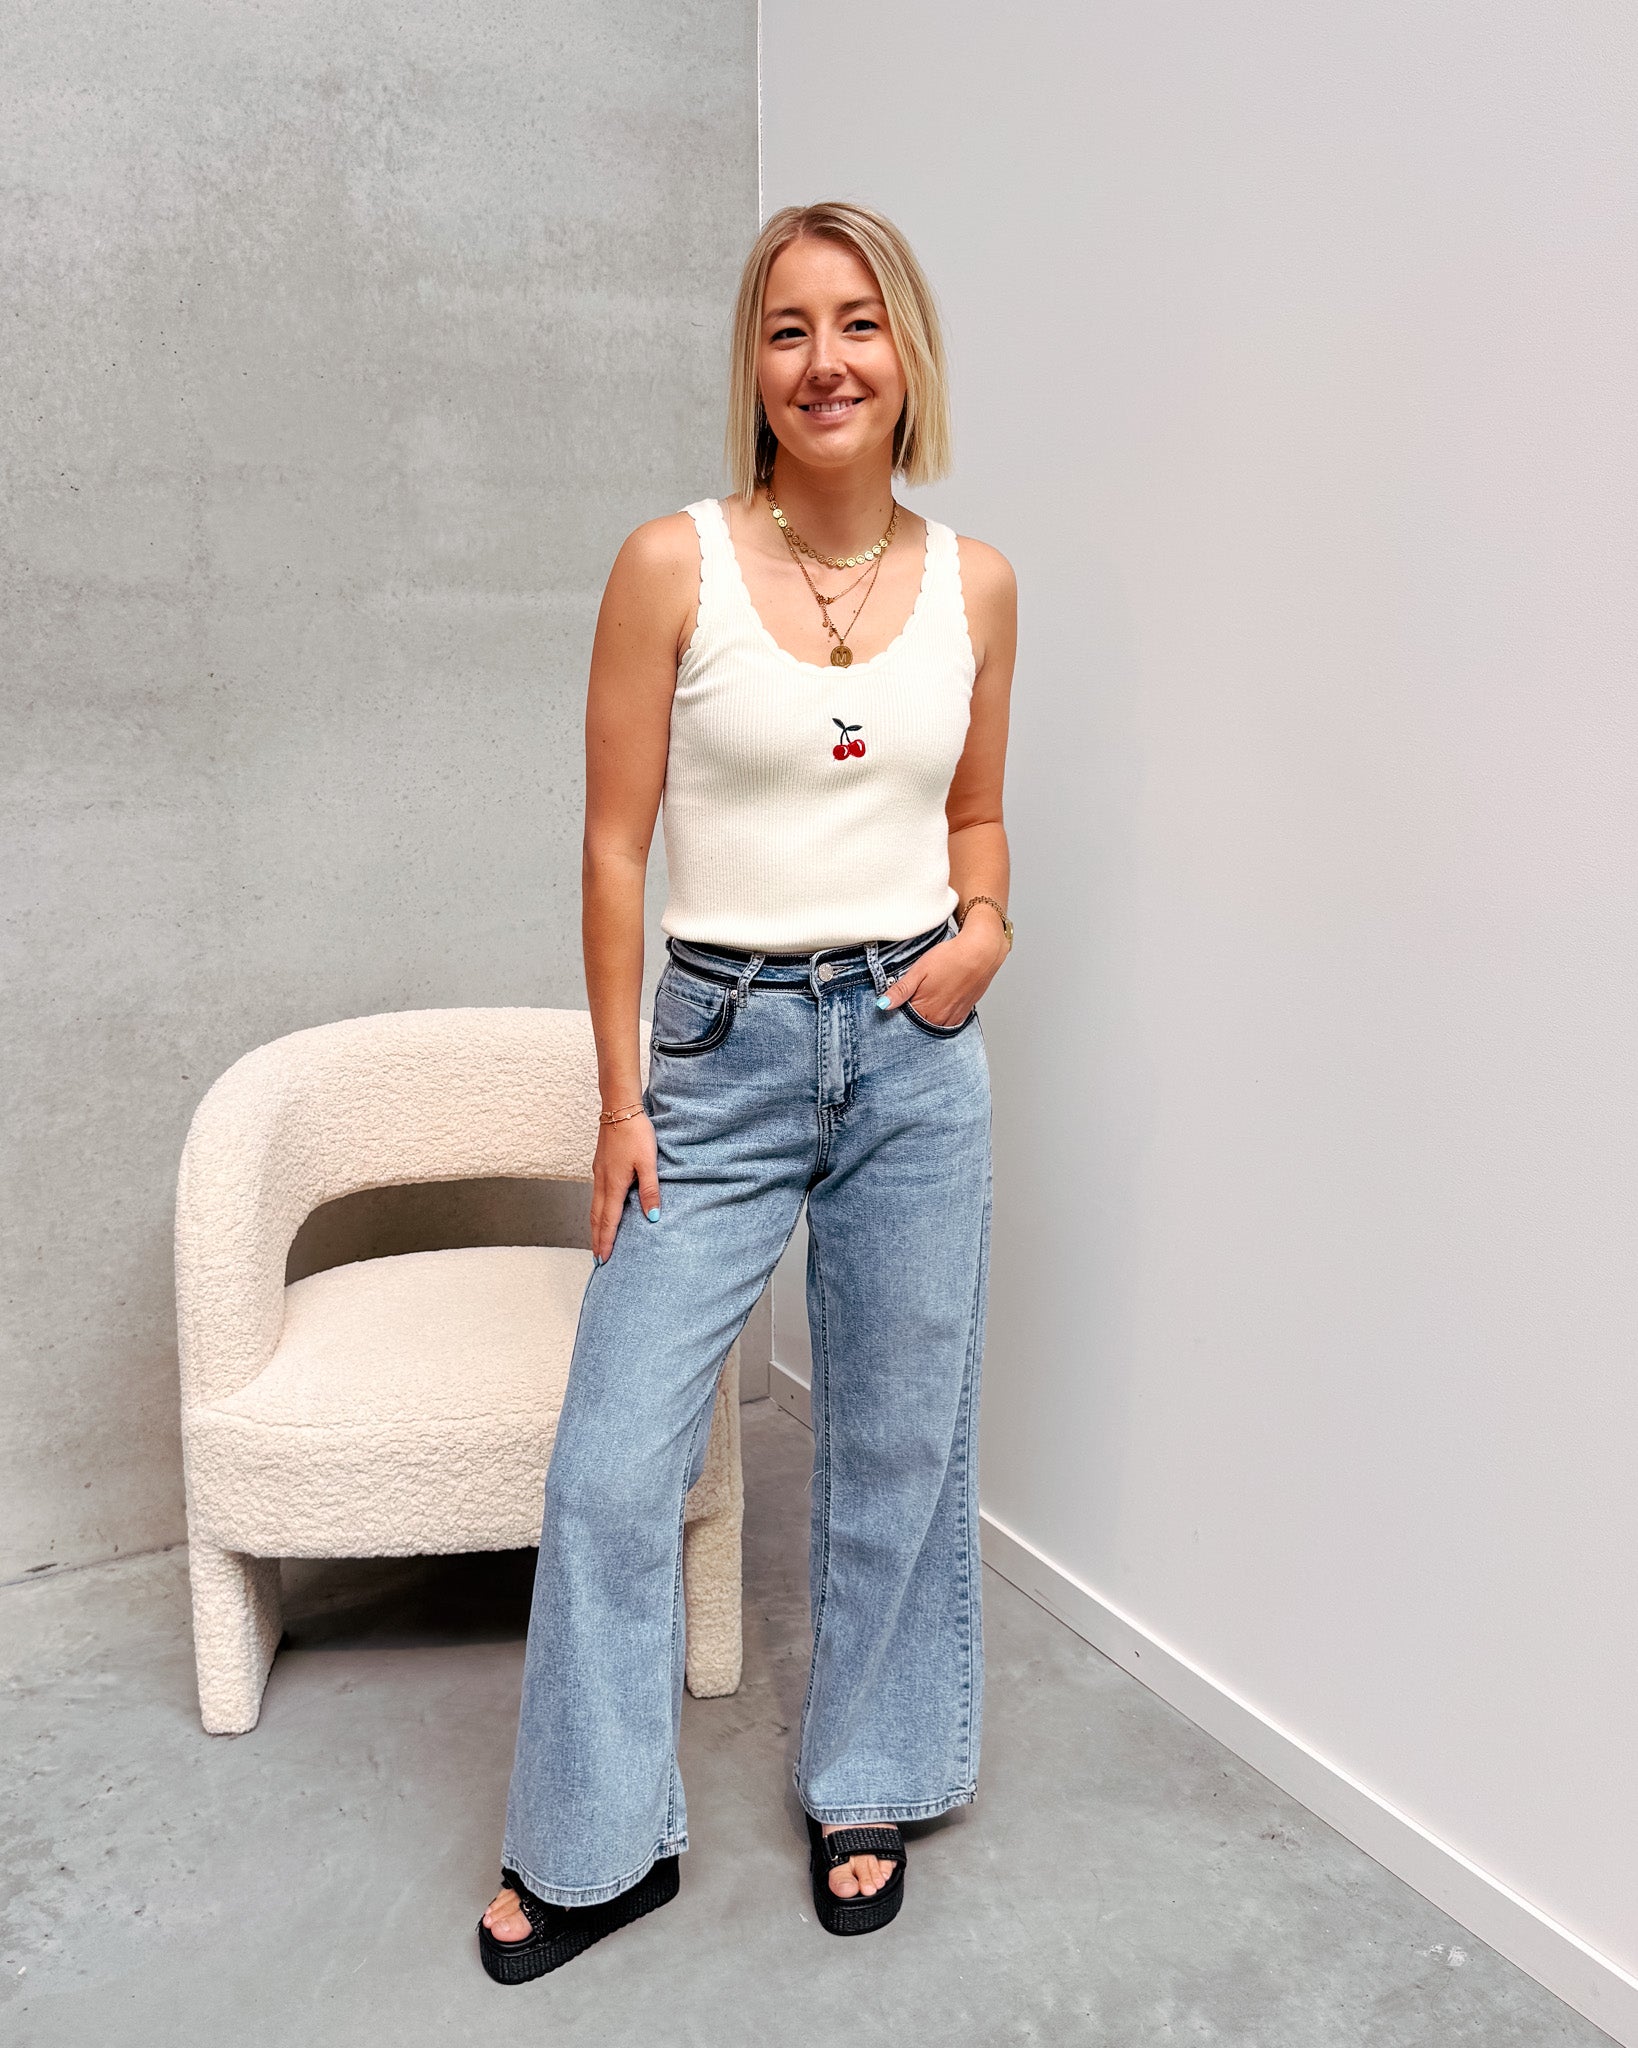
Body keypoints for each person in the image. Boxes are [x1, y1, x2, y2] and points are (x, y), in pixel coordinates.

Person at [477, 199, 1016, 1983]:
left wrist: (988, 926)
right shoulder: (673, 565)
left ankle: (870, 1779)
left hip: (913, 1053)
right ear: (753, 366)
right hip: (714, 1061)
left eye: (857, 323)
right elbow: (612, 850)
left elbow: (971, 811)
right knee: (610, 1468)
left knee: (897, 1446)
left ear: (904, 354)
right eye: (787, 329)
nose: (824, 361)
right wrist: (620, 1098)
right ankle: (594, 1843)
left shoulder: (977, 586)